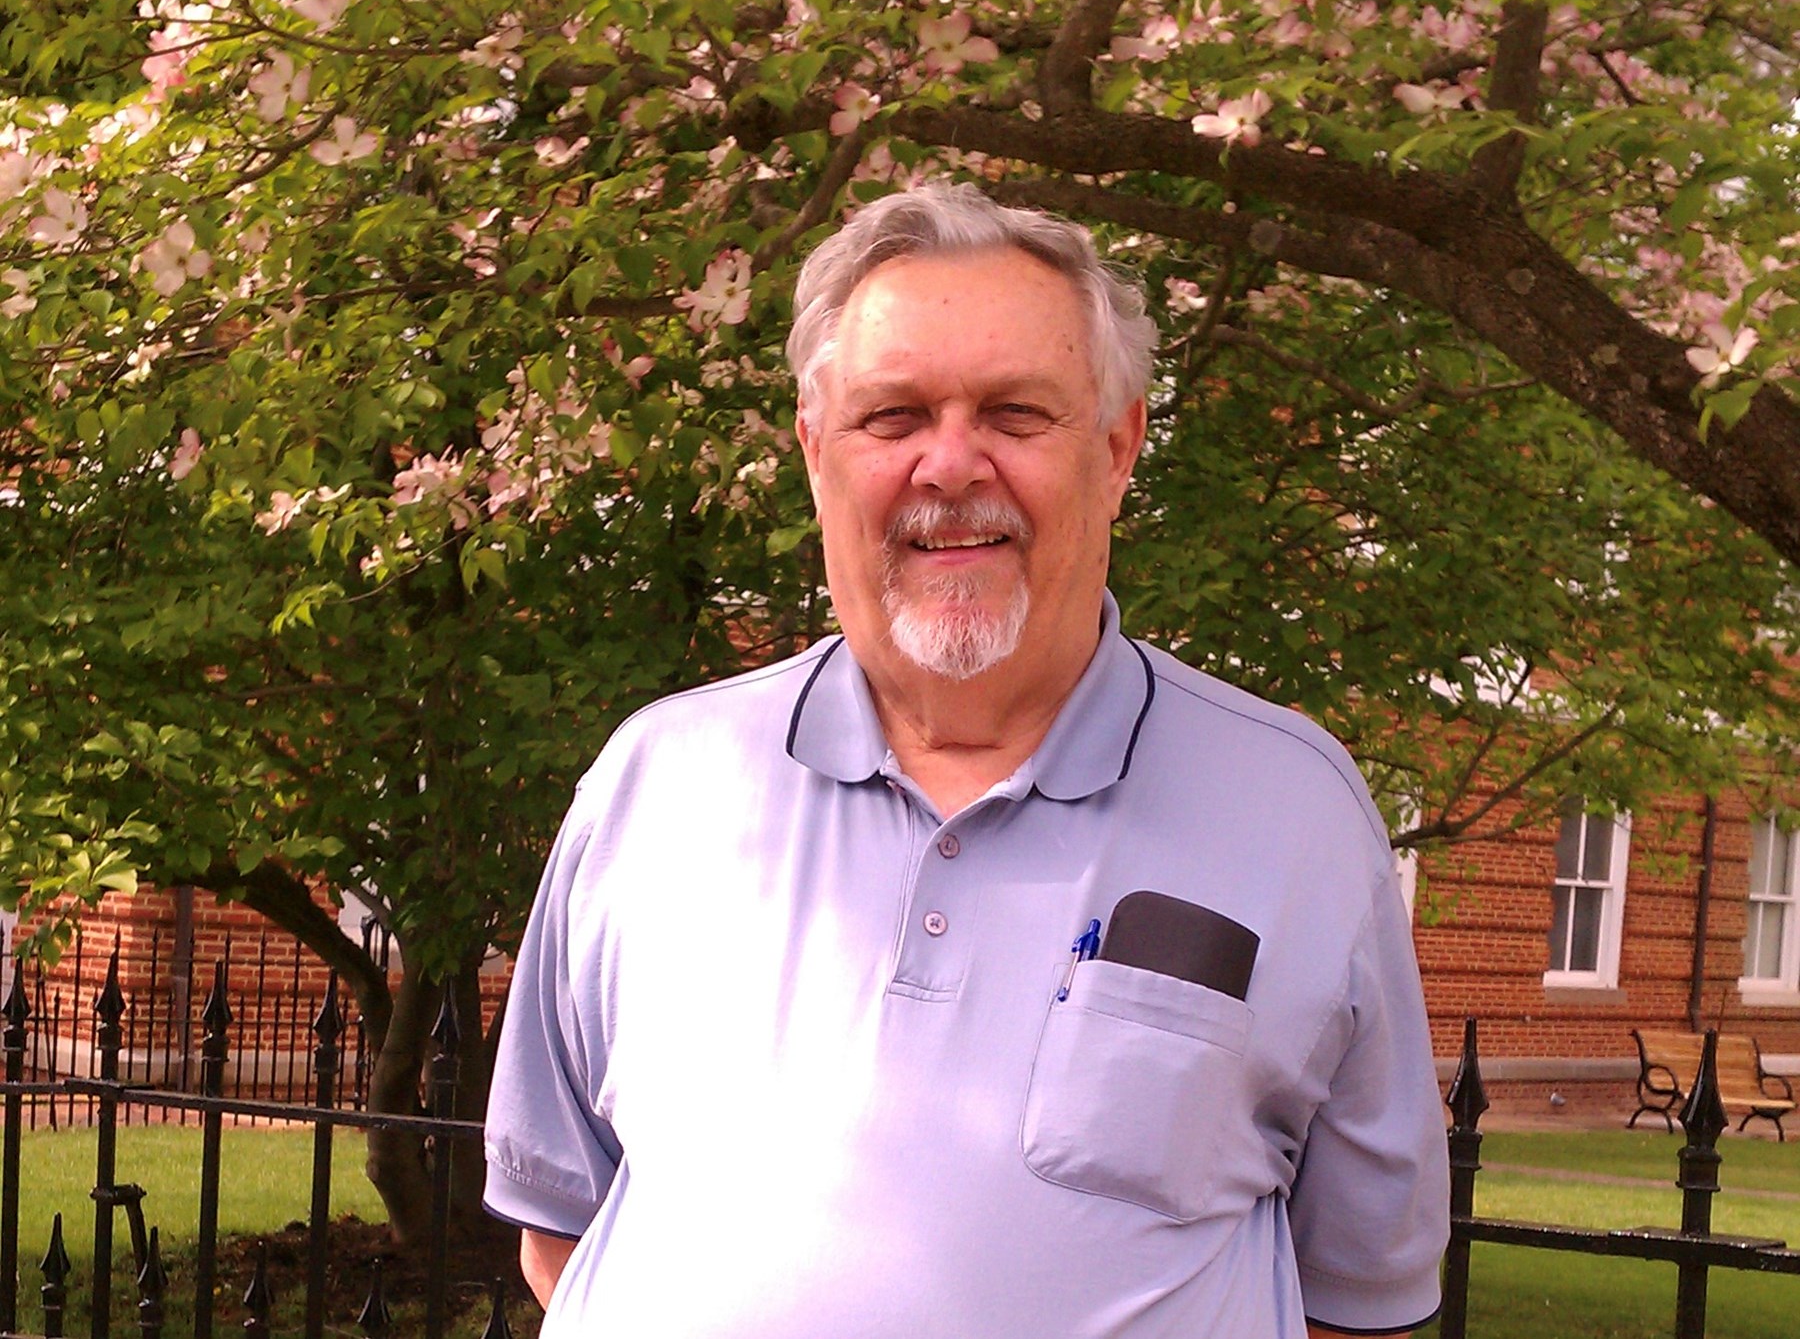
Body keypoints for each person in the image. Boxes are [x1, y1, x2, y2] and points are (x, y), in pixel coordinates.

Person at [482, 184, 1450, 1337]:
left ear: (1117, 446)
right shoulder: (657, 783)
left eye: (1014, 412)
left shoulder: (1295, 813)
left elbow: (1360, 1299)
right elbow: (563, 1226)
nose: (950, 464)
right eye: (893, 415)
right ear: (815, 450)